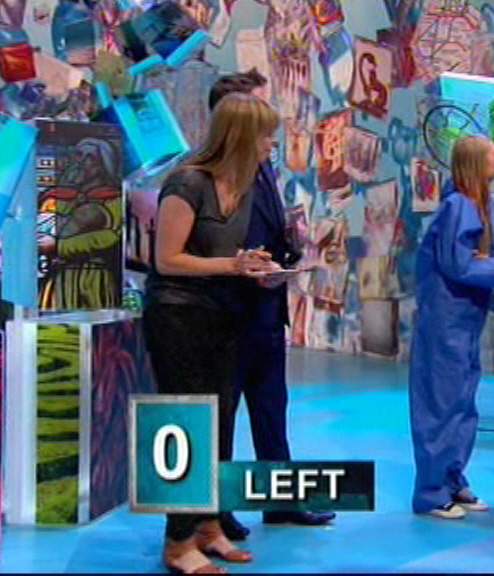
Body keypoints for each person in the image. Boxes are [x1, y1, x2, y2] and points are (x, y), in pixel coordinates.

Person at [143, 92, 279, 574]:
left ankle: (208, 525)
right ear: (241, 137)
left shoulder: (243, 187)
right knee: (186, 427)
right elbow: (168, 260)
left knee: (219, 423)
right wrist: (231, 265)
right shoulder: (187, 183)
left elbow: (223, 254)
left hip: (224, 314)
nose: (271, 144)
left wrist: (252, 265)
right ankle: (177, 542)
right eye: (265, 136)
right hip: (177, 316)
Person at [206, 71, 337, 541]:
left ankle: (280, 501)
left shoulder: (261, 167)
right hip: (229, 311)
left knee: (270, 408)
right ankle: (213, 510)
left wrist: (289, 247)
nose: (270, 130)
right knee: (221, 416)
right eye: (258, 111)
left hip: (266, 307)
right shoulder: (208, 177)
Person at [409, 135, 494, 519]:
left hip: (466, 322)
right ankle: (431, 493)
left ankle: (452, 479)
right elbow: (459, 266)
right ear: (477, 163)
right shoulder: (458, 207)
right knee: (440, 406)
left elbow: (482, 256)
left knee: (463, 404)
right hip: (444, 322)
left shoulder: (484, 204)